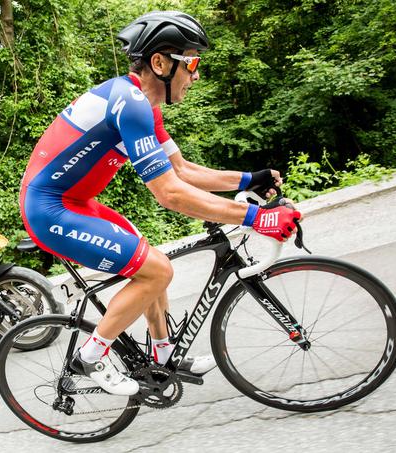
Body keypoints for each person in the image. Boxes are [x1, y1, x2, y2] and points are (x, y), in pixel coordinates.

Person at [19, 11, 301, 395]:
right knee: (156, 271)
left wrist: (250, 179)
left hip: (76, 201)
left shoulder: (143, 106)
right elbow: (169, 193)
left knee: (149, 264)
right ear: (160, 63)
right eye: (192, 63)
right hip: (49, 209)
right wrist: (255, 217)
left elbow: (182, 171)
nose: (196, 75)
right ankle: (91, 356)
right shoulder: (129, 103)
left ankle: (164, 354)